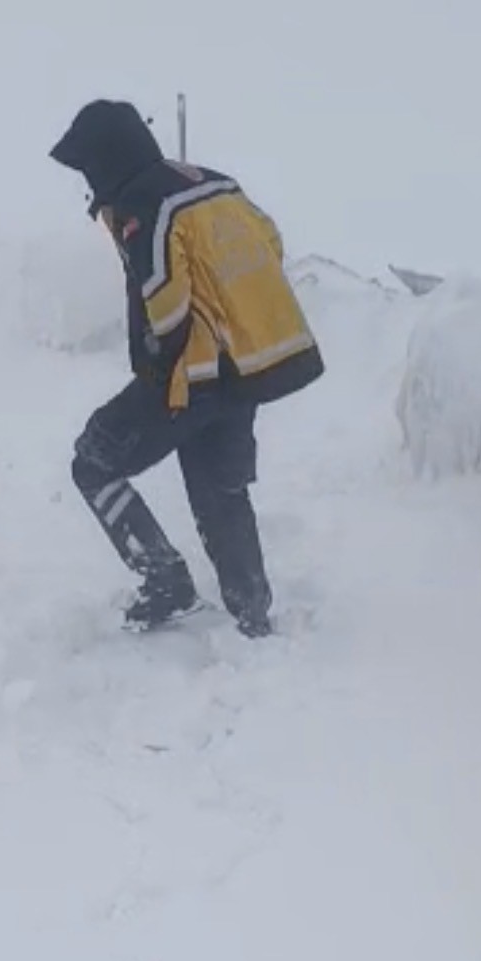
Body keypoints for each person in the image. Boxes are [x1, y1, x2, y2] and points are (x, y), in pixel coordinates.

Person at [49, 99, 324, 638]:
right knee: (220, 486)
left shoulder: (141, 203)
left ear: (105, 158)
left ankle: (165, 580)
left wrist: (159, 359)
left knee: (94, 462)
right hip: (244, 368)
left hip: (191, 373)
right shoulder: (216, 182)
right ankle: (252, 613)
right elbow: (270, 241)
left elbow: (167, 301)